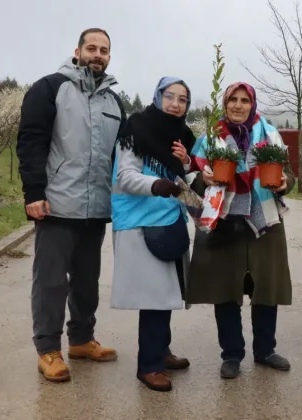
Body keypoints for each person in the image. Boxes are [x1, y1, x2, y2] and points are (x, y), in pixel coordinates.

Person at [16, 28, 123, 382]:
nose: (98, 54)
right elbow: (31, 141)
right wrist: (34, 192)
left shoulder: (113, 101)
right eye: (91, 47)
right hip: (57, 206)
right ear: (77, 51)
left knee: (87, 281)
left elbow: (118, 156)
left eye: (104, 50)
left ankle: (81, 339)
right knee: (50, 282)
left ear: (109, 56)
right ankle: (48, 349)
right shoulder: (49, 88)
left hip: (95, 210)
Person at [187, 82, 294, 379]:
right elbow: (191, 176)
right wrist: (202, 179)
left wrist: (285, 183)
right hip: (224, 220)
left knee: (265, 289)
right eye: (232, 100)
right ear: (225, 103)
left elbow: (289, 176)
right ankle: (232, 354)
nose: (238, 105)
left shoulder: (270, 134)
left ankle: (265, 351)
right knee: (226, 290)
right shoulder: (210, 137)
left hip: (265, 221)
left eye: (244, 100)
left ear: (252, 103)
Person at [110, 77, 196, 392]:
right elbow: (126, 176)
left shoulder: (183, 136)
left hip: (169, 220)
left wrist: (187, 163)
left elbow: (184, 178)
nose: (175, 103)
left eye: (182, 99)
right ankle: (149, 366)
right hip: (140, 222)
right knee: (153, 297)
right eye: (169, 96)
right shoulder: (135, 130)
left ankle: (161, 349)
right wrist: (155, 185)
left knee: (166, 292)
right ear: (157, 97)